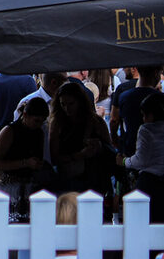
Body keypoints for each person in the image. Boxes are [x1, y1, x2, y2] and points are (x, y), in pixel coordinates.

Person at [0, 96, 49, 221]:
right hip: (9, 185)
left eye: (42, 122)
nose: (38, 125)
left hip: (29, 187)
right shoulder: (9, 131)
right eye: (36, 121)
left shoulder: (39, 133)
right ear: (25, 115)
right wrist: (25, 163)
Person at [49, 81, 113, 194]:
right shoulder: (57, 124)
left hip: (93, 178)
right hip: (69, 180)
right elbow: (54, 157)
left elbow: (109, 150)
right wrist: (80, 155)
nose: (67, 108)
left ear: (80, 102)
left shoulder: (95, 122)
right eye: (63, 104)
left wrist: (99, 146)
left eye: (71, 104)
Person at [118, 92, 164, 222]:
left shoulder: (146, 130)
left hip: (149, 183)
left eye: (144, 115)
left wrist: (124, 161)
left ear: (151, 114)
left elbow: (140, 160)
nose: (143, 119)